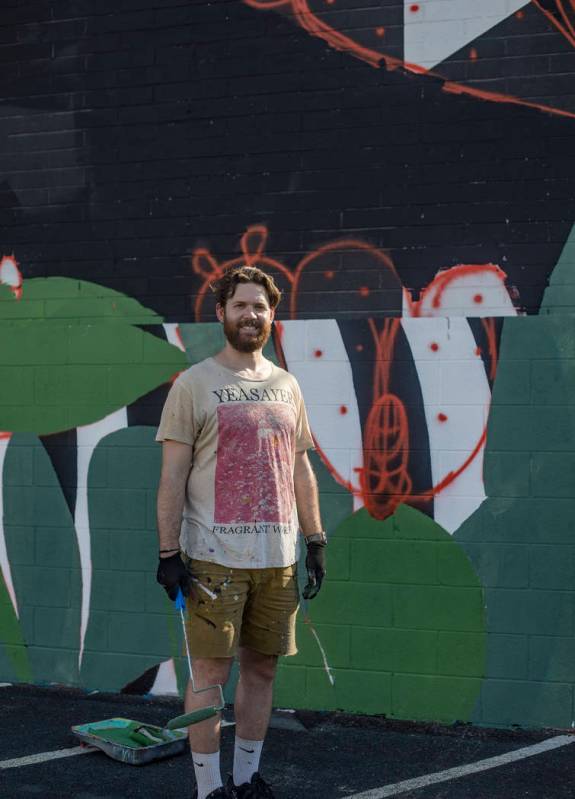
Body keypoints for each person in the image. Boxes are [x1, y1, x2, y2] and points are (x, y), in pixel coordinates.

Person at [155, 265, 327, 799]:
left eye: (260, 307)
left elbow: (300, 467)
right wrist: (167, 552)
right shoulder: (195, 384)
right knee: (210, 677)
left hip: (276, 559)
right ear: (222, 313)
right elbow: (173, 477)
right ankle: (209, 790)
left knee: (263, 674)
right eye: (240, 305)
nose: (250, 315)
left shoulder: (286, 384)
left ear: (272, 315)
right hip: (213, 559)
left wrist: (315, 540)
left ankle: (247, 781)